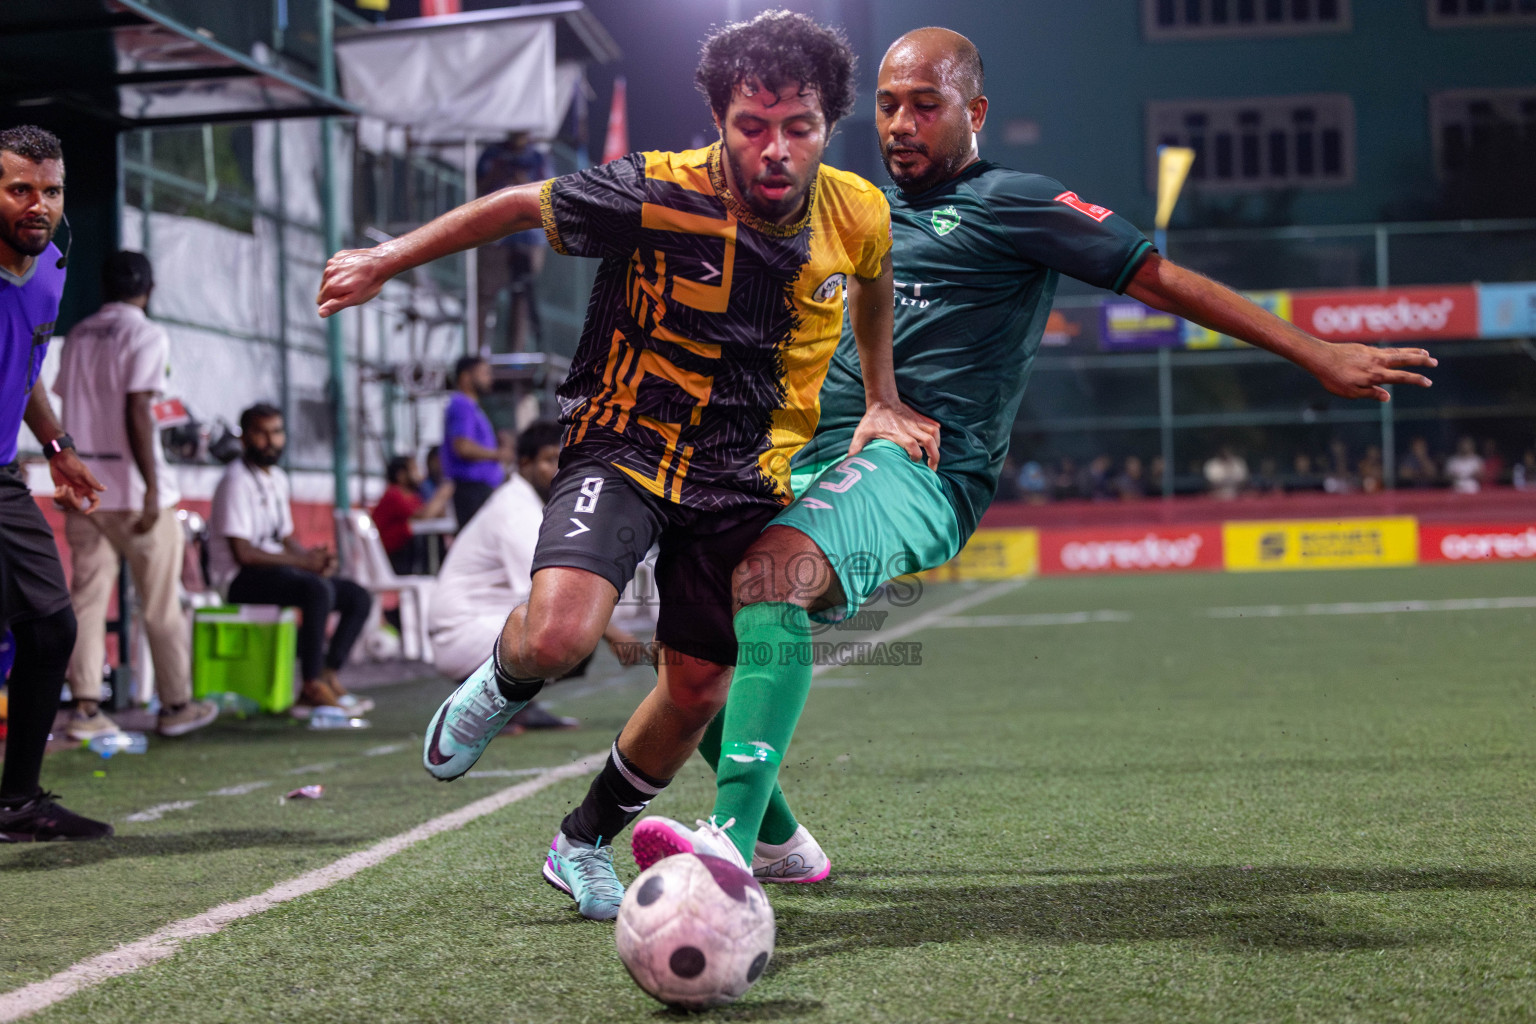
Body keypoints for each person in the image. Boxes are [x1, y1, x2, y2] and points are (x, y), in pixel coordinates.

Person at [625, 27, 1437, 880]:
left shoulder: (1018, 201)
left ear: (974, 113)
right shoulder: (850, 206)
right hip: (801, 455)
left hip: (920, 470)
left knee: (769, 577)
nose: (902, 123)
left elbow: (1157, 278)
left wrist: (1316, 350)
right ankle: (779, 839)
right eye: (890, 105)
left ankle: (725, 846)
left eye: (926, 106)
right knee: (693, 623)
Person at [317, 10, 937, 920]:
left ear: (827, 126)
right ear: (720, 120)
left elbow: (874, 281)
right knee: (563, 635)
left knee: (695, 685)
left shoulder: (858, 209)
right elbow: (514, 206)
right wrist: (388, 258)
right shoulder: (653, 189)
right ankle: (502, 679)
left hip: (745, 475)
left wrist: (881, 396)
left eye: (797, 128)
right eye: (751, 126)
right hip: (627, 443)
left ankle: (581, 843)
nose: (774, 149)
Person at [0, 125, 113, 841]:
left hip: (4, 473)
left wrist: (59, 444)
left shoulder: (50, 268)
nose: (37, 205)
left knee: (48, 627)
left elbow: (29, 359)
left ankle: (16, 802)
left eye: (50, 191)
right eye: (18, 190)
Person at [54, 250, 218, 741]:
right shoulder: (146, 334)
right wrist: (149, 487)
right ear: (148, 289)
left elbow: (66, 405)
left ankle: (85, 709)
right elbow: (137, 409)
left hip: (88, 489)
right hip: (136, 492)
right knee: (161, 603)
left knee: (86, 599)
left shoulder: (79, 336)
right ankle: (175, 705)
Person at [427, 421, 648, 730]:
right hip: (462, 634)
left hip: (478, 625)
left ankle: (517, 707)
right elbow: (550, 591)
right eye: (547, 461)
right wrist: (615, 636)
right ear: (524, 463)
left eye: (563, 462)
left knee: (572, 634)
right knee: (565, 631)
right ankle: (484, 708)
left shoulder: (532, 505)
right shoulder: (516, 510)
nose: (558, 471)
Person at [207, 404, 375, 717]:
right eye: (261, 433)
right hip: (239, 580)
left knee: (356, 596)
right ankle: (310, 687)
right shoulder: (235, 481)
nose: (270, 441)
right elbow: (243, 554)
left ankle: (327, 674)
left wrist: (312, 559)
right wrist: (303, 565)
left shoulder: (278, 479)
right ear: (244, 438)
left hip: (277, 572)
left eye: (277, 432)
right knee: (315, 590)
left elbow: (283, 538)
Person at [440, 355, 509, 526]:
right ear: (465, 377)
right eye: (484, 373)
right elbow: (462, 447)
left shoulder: (471, 406)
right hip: (472, 491)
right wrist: (498, 454)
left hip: (479, 489)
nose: (489, 378)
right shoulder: (461, 404)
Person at [371, 453, 454, 577]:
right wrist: (442, 494)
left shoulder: (412, 495)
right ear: (401, 475)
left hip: (406, 555)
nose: (418, 474)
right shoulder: (394, 495)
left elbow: (434, 514)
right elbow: (423, 517)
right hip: (393, 557)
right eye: (413, 469)